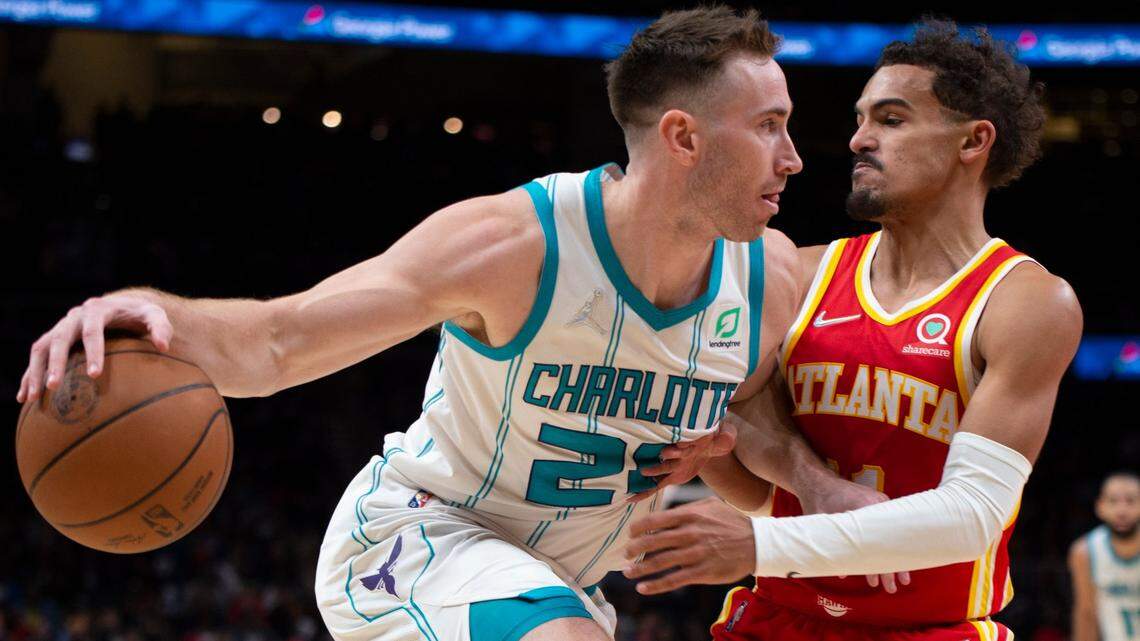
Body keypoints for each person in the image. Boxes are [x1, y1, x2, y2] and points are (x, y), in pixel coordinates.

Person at [17, 7, 822, 641]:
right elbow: (279, 339)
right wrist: (155, 312)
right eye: (767, 126)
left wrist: (789, 480)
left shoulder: (767, 281)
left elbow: (746, 458)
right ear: (682, 137)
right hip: (417, 540)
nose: (791, 157)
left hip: (560, 585)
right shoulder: (513, 243)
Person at [622, 19, 1083, 641]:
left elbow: (973, 516)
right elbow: (758, 483)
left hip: (931, 628)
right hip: (778, 618)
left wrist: (759, 544)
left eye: (890, 120)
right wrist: (720, 457)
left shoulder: (1025, 302)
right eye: (860, 119)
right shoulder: (798, 271)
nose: (858, 140)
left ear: (973, 142)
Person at [1070, 472, 1140, 641]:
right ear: (1100, 507)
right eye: (1113, 501)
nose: (1122, 510)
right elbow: (1086, 615)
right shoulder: (1085, 552)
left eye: (1130, 501)